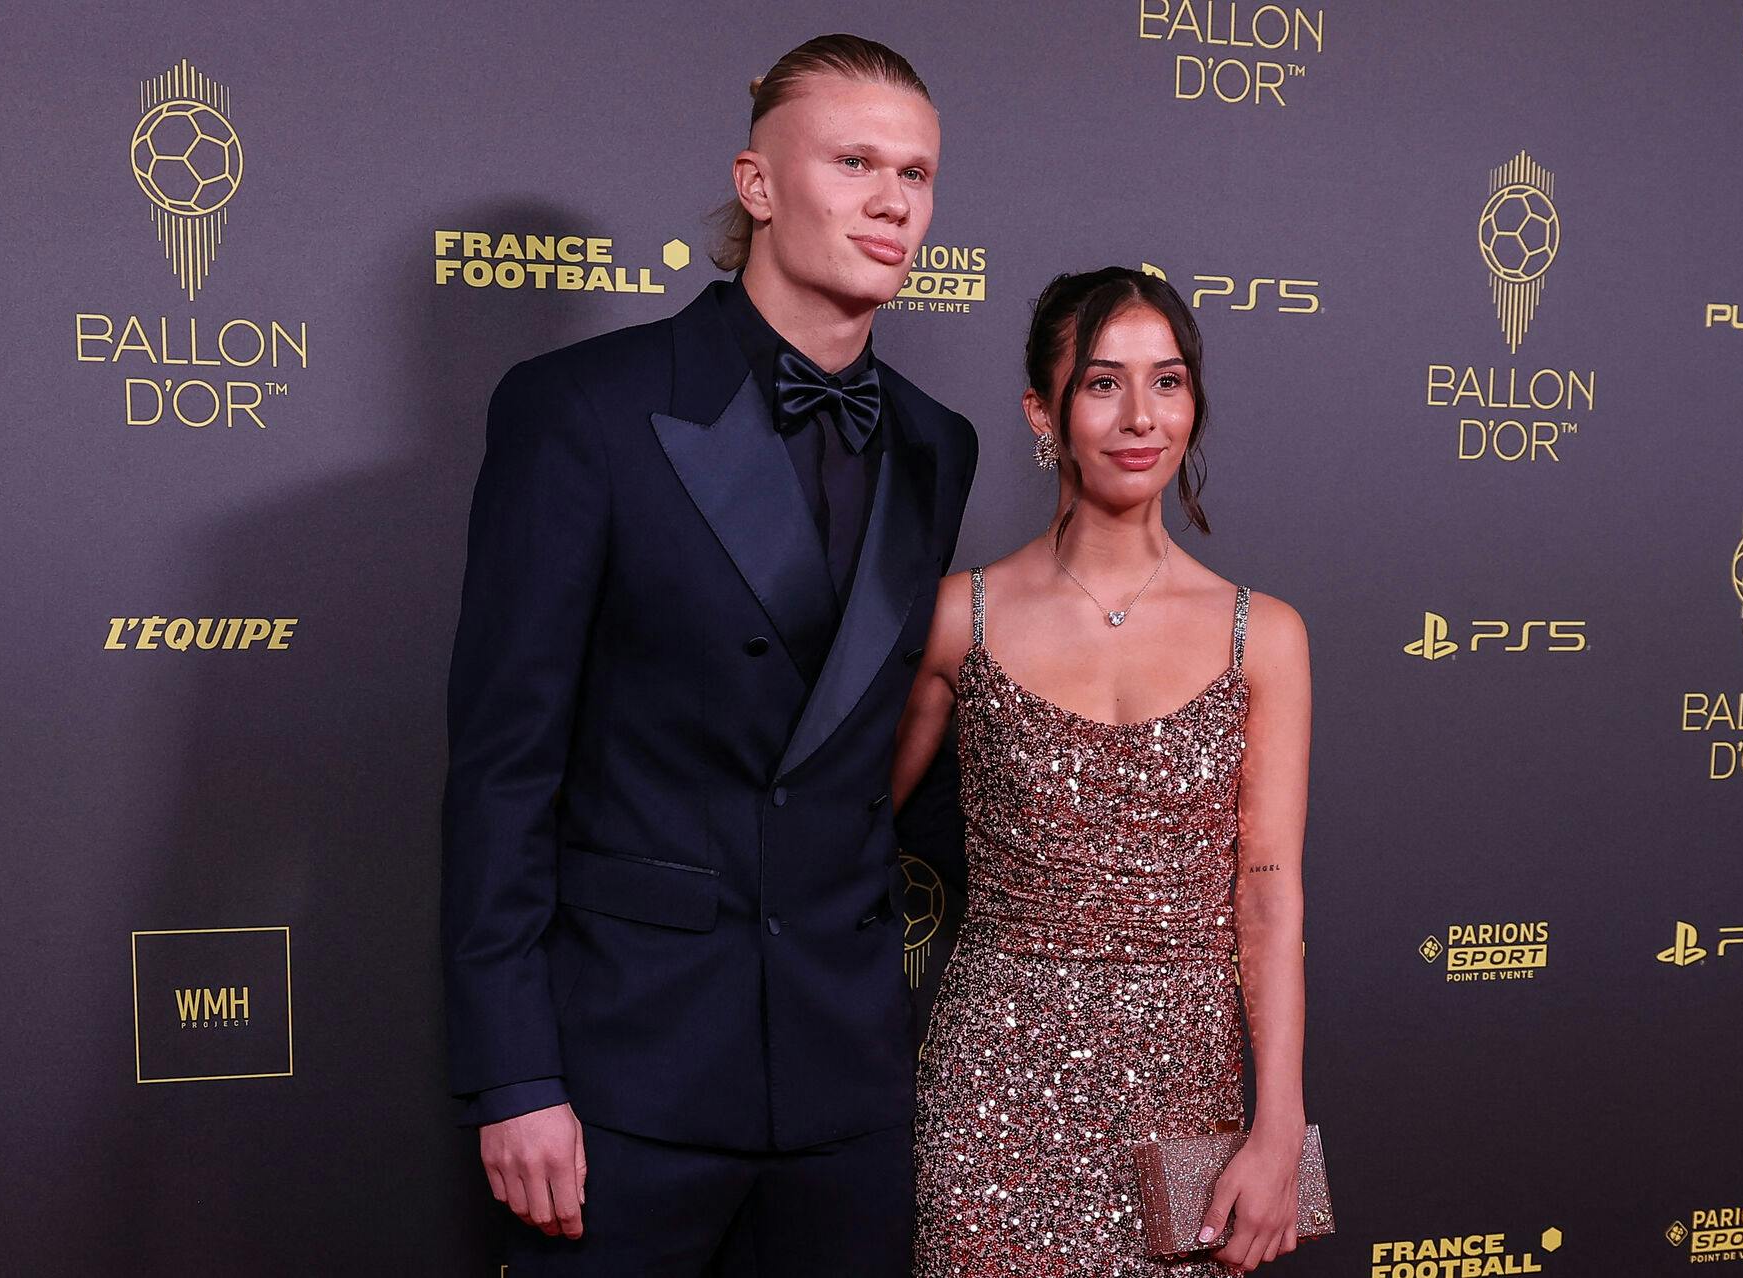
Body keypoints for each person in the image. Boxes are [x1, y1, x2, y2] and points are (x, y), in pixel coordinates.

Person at [440, 34, 977, 1276]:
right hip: (626, 1070)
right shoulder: (582, 408)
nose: (895, 202)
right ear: (758, 186)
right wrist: (513, 1072)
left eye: (918, 172)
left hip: (847, 1076)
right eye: (854, 162)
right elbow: (503, 770)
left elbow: (869, 741)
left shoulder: (937, 444)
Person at [892, 267, 1312, 1275]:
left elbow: (1268, 896)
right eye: (1100, 383)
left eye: (1167, 382)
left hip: (1190, 1088)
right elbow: (834, 828)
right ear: (1042, 411)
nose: (1139, 417)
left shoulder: (1268, 636)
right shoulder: (960, 616)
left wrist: (1280, 1132)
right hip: (990, 1091)